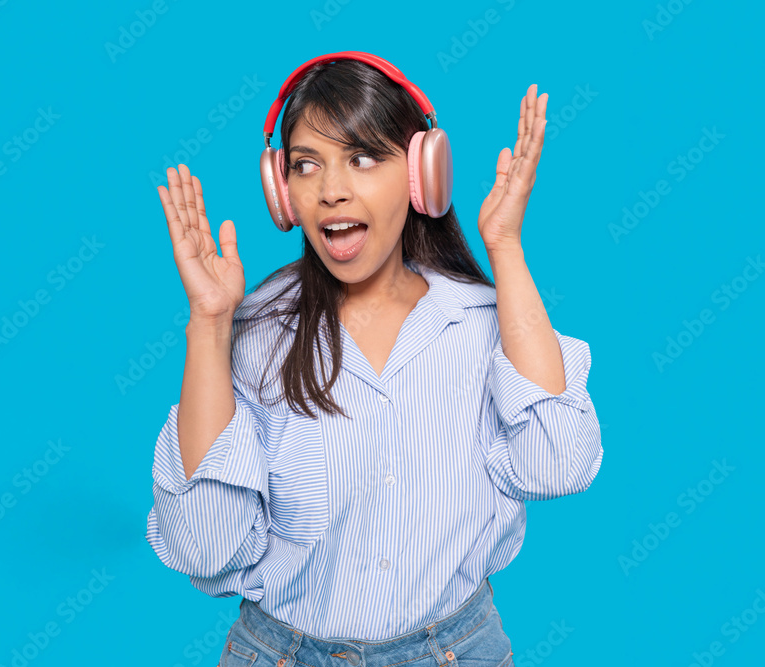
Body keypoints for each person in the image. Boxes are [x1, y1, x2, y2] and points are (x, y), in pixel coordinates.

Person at [146, 52, 603, 667]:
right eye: (308, 165)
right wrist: (208, 323)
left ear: (422, 175)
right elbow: (206, 548)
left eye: (363, 159)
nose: (332, 191)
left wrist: (505, 246)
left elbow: (557, 467)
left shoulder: (479, 325)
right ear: (283, 191)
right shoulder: (254, 334)